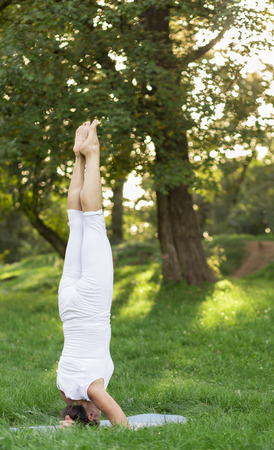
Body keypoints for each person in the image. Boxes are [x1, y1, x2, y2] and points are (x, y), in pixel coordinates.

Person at [57, 120, 130, 429]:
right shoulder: (64, 391)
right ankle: (78, 156)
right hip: (68, 306)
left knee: (93, 219)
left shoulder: (93, 390)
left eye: (95, 416)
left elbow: (122, 423)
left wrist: (108, 418)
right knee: (76, 220)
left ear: (90, 414)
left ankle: (93, 152)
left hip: (90, 304)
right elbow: (70, 411)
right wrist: (66, 423)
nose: (99, 412)